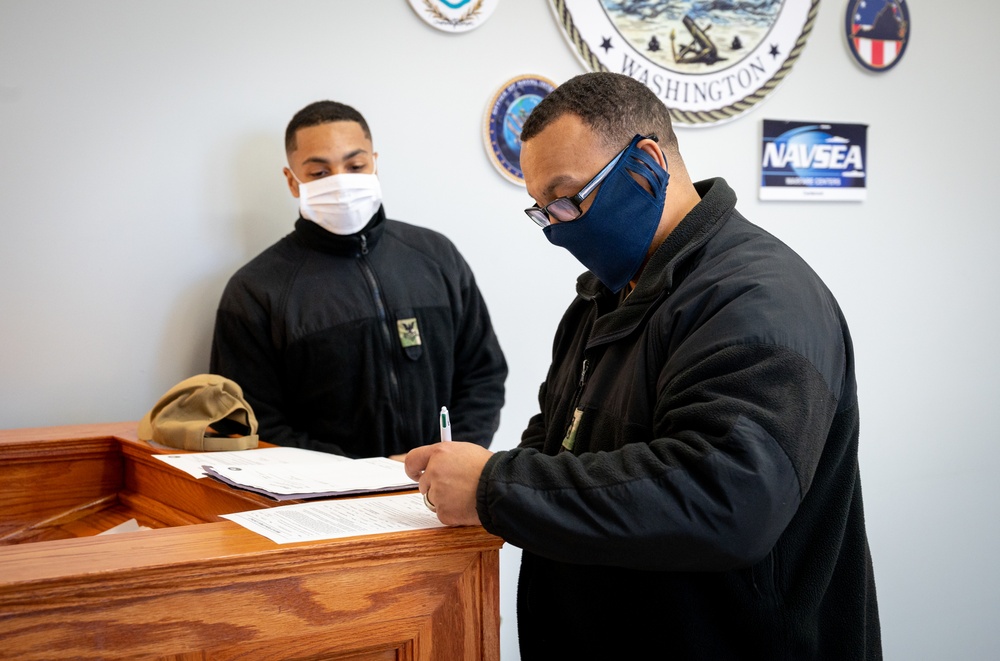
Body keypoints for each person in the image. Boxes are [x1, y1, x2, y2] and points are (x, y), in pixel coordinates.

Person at [405, 72, 881, 659]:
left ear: (646, 162)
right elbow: (560, 445)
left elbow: (726, 498)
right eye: (543, 210)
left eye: (570, 198)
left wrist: (495, 488)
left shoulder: (760, 299)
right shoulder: (603, 298)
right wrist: (480, 479)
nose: (557, 227)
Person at [211, 100, 507, 459]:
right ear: (292, 181)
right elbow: (255, 424)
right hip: (327, 503)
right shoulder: (256, 291)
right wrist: (367, 475)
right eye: (319, 173)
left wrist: (447, 459)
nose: (341, 182)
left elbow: (483, 374)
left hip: (442, 488)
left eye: (355, 165)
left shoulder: (436, 255)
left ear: (374, 165)